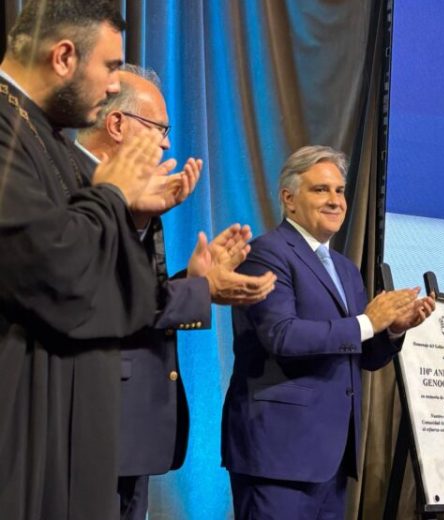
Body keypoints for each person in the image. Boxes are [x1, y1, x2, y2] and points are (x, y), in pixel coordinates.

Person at [0, 2, 184, 518]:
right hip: (22, 423)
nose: (112, 86)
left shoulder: (47, 139)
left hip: (66, 424)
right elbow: (58, 272)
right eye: (109, 67)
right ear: (63, 57)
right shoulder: (8, 132)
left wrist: (131, 213)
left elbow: (120, 302)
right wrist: (112, 197)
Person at [74, 64, 277, 520]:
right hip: (86, 421)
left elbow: (135, 293)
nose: (166, 144)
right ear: (117, 123)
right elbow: (95, 296)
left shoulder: (133, 198)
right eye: (159, 128)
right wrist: (201, 291)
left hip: (131, 430)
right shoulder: (69, 184)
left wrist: (191, 280)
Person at [222, 145, 436, 519]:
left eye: (339, 190)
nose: (335, 200)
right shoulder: (266, 253)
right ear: (289, 199)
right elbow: (282, 336)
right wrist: (367, 323)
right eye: (321, 190)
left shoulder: (345, 269)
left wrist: (392, 330)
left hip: (331, 456)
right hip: (279, 453)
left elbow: (361, 355)